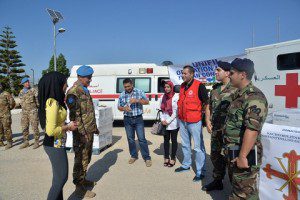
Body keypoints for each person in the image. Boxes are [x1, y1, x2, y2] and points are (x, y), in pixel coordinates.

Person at [225, 58, 268, 199]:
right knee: (238, 188)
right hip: (234, 152)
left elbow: (252, 130)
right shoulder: (238, 95)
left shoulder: (254, 97)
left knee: (245, 194)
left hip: (244, 154)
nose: (229, 75)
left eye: (231, 73)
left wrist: (242, 156)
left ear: (242, 75)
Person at [38, 72, 78, 200]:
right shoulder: (52, 103)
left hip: (57, 143)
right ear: (57, 84)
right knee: (61, 178)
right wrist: (68, 127)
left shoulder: (54, 101)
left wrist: (66, 125)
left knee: (57, 179)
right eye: (65, 83)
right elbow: (50, 131)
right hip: (53, 144)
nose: (66, 86)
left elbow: (55, 123)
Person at [202, 61, 237, 191]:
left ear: (227, 72)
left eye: (218, 70)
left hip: (231, 132)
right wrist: (207, 121)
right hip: (216, 129)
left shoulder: (236, 89)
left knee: (232, 159)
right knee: (215, 156)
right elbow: (208, 106)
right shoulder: (215, 89)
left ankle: (236, 188)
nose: (215, 72)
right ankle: (218, 181)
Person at [66, 65, 99, 199]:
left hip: (89, 130)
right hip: (81, 133)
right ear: (80, 77)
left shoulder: (84, 89)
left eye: (91, 77)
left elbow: (89, 111)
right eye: (88, 78)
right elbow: (75, 116)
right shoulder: (74, 92)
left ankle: (83, 179)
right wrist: (83, 132)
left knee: (87, 157)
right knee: (80, 159)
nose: (90, 80)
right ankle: (79, 188)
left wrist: (94, 127)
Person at [175, 65, 209, 182]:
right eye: (182, 73)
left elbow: (206, 103)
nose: (183, 75)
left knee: (198, 147)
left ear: (192, 74)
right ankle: (186, 165)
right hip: (183, 120)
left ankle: (200, 171)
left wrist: (205, 119)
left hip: (195, 121)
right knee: (185, 144)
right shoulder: (182, 86)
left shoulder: (199, 86)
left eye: (185, 73)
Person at [117, 78, 152, 167]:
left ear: (132, 84)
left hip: (138, 119)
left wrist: (137, 100)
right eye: (125, 87)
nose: (127, 88)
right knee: (130, 139)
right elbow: (119, 107)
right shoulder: (122, 94)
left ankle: (147, 158)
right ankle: (133, 156)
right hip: (127, 119)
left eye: (128, 86)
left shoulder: (139, 92)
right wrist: (124, 108)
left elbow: (147, 102)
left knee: (141, 139)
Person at [159, 81, 179, 167]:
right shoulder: (162, 97)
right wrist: (163, 119)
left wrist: (168, 121)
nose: (166, 89)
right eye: (165, 87)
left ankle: (173, 158)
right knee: (166, 141)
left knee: (174, 141)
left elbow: (176, 112)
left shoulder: (176, 96)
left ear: (171, 87)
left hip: (174, 123)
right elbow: (160, 110)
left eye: (168, 87)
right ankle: (166, 157)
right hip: (164, 122)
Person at [19, 77, 40, 149]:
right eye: (25, 82)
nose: (27, 83)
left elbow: (37, 101)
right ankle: (26, 142)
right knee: (24, 127)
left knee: (34, 127)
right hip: (24, 112)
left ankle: (36, 141)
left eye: (28, 82)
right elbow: (21, 102)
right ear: (23, 84)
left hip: (32, 112)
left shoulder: (33, 90)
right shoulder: (21, 92)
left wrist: (37, 108)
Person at [0, 83, 15, 150]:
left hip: (5, 115)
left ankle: (9, 142)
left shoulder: (6, 94)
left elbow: (12, 102)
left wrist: (8, 109)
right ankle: (0, 141)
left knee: (7, 129)